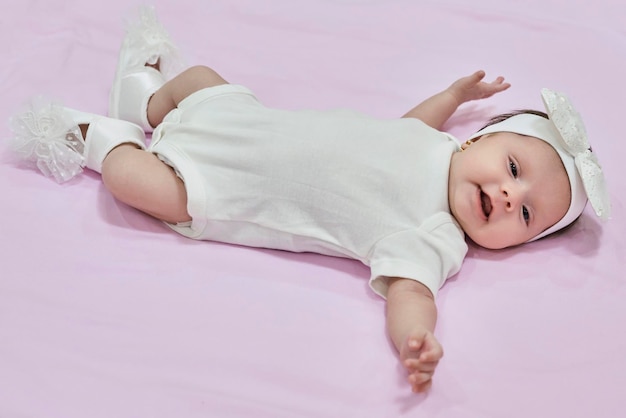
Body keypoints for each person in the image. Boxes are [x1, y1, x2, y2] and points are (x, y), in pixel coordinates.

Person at [8, 6, 610, 394]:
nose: (508, 196)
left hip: (226, 190)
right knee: (200, 79)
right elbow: (409, 125)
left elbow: (410, 293)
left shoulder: (435, 235)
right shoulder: (435, 143)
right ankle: (141, 107)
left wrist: (415, 340)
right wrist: (452, 94)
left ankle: (102, 141)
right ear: (477, 138)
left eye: (526, 214)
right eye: (512, 168)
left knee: (139, 187)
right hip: (245, 122)